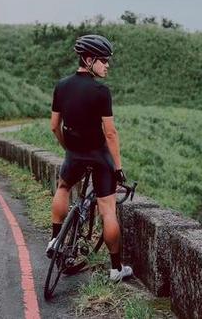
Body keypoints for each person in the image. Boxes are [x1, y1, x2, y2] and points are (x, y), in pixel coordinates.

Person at [47, 34, 133, 282]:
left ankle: (55, 239)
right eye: (103, 60)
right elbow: (110, 133)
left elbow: (54, 125)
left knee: (63, 187)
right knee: (108, 210)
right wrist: (118, 168)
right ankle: (116, 269)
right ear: (88, 59)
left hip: (74, 153)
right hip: (99, 157)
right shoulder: (101, 91)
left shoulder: (62, 86)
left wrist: (69, 149)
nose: (107, 65)